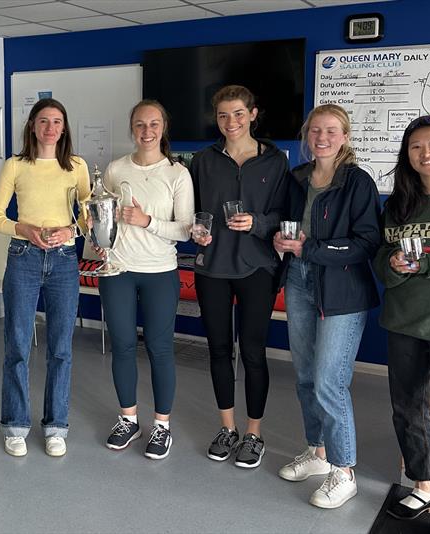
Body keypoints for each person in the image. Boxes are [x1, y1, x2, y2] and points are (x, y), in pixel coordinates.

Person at [274, 104, 381, 509]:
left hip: (343, 291)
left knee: (328, 382)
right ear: (307, 135)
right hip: (300, 281)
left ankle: (344, 470)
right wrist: (280, 242)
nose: (322, 137)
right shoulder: (297, 177)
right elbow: (286, 227)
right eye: (316, 130)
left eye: (331, 131)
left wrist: (311, 248)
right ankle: (317, 453)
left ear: (345, 136)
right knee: (303, 376)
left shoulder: (357, 182)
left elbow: (367, 243)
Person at [190, 85, 289, 469]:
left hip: (257, 267)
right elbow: (192, 210)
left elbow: (285, 213)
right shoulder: (202, 160)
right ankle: (227, 428)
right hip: (212, 267)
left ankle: (253, 433)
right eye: (222, 115)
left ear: (253, 114)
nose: (230, 122)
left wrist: (259, 222)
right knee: (217, 350)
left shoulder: (275, 161)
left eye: (238, 114)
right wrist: (196, 230)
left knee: (253, 353)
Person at [0, 98, 90, 457]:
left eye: (57, 121)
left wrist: (71, 231)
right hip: (23, 257)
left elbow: (89, 216)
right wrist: (23, 228)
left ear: (64, 127)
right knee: (17, 345)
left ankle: (55, 426)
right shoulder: (15, 165)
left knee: (61, 348)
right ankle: (15, 424)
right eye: (43, 121)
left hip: (63, 260)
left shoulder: (77, 166)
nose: (50, 127)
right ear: (32, 126)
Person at [100, 100, 194, 459]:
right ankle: (128, 419)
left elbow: (185, 230)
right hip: (119, 270)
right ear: (132, 128)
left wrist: (147, 221)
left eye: (154, 124)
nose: (147, 131)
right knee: (122, 345)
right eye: (140, 124)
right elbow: (102, 216)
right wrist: (98, 237)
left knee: (160, 348)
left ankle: (162, 426)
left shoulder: (177, 174)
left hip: (159, 272)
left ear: (163, 127)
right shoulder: (115, 169)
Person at [372, 115, 430, 531]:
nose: (426, 153)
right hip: (403, 321)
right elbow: (383, 262)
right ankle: (423, 484)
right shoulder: (398, 204)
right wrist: (397, 265)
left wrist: (427, 261)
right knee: (408, 410)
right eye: (417, 146)